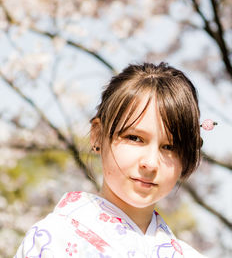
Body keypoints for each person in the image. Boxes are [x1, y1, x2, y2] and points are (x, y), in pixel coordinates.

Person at [15, 63, 206, 258]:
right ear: (98, 134)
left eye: (170, 147)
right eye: (134, 138)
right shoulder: (53, 239)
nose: (150, 163)